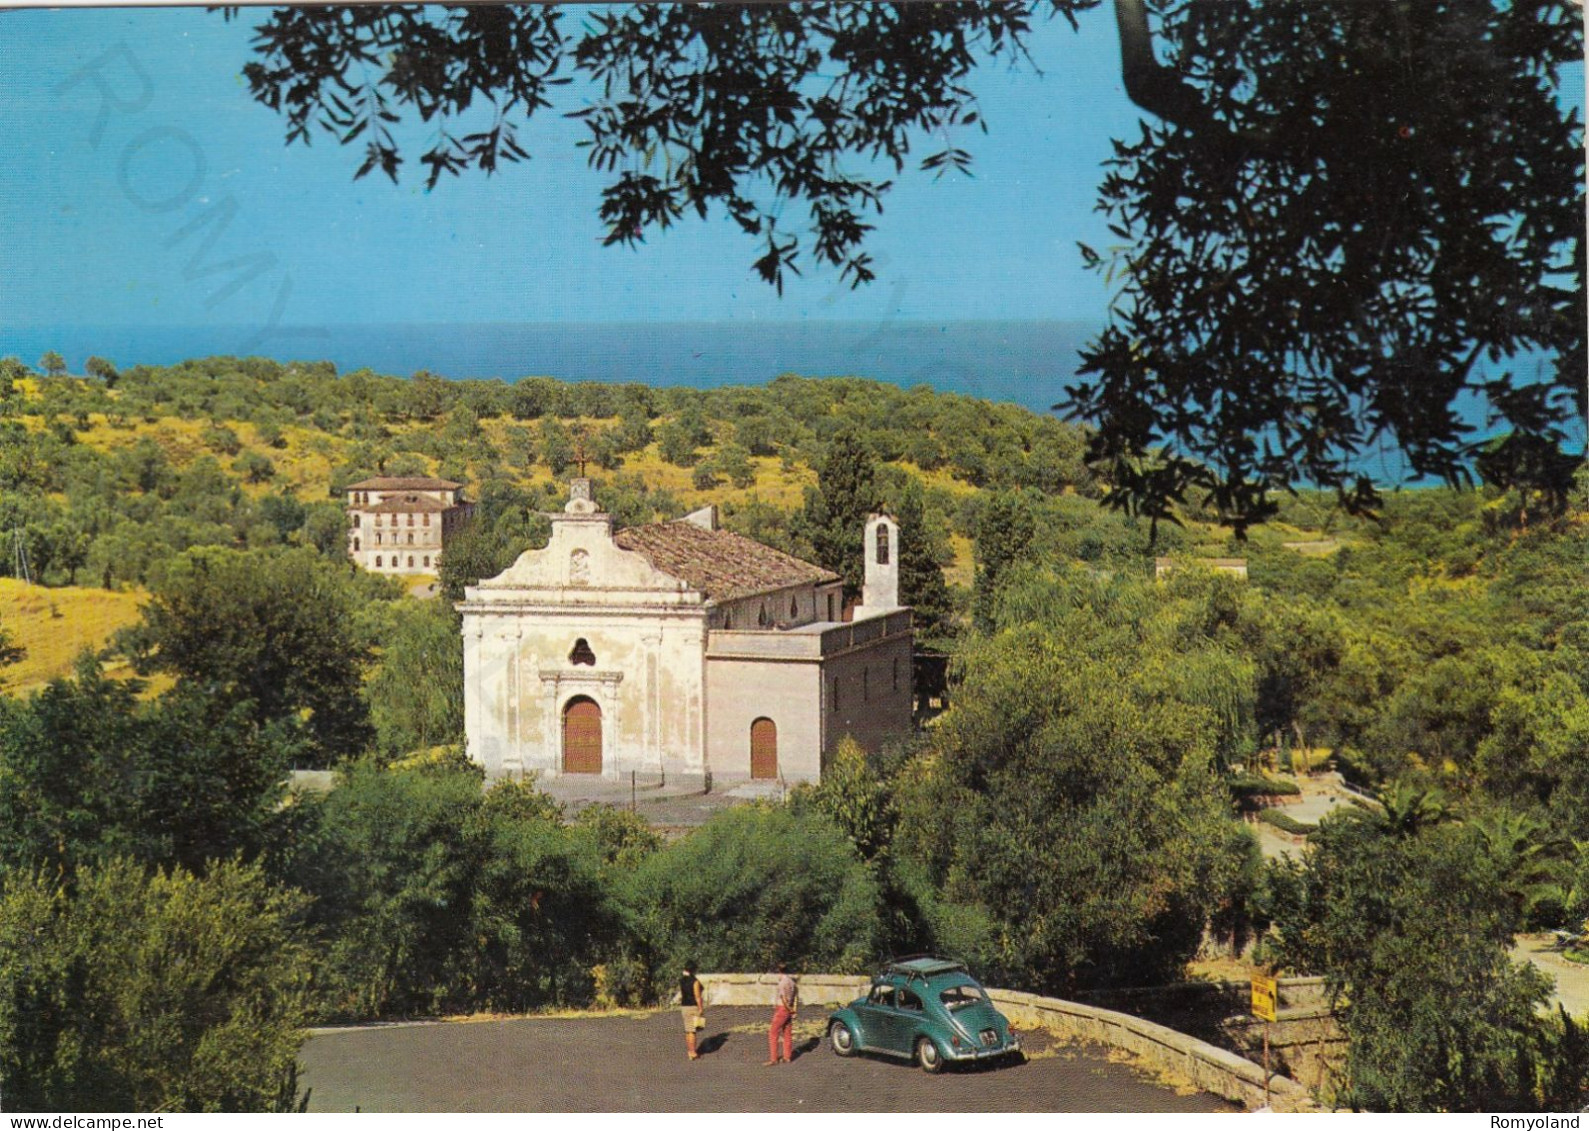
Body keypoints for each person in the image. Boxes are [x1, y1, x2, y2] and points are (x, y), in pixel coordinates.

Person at [764, 962, 798, 1066]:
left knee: (773, 1032)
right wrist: (794, 1009)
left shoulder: (782, 983)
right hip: (789, 1008)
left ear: (779, 972)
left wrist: (789, 1009)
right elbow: (796, 997)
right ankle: (787, 1057)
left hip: (783, 1009)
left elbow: (783, 999)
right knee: (787, 1032)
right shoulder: (792, 982)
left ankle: (774, 1059)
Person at [679, 961, 706, 1061]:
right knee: (693, 1031)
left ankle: (690, 1051)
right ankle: (693, 1052)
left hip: (684, 1007)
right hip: (693, 1006)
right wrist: (701, 1008)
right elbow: (698, 997)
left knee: (688, 1030)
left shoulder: (682, 980)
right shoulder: (695, 981)